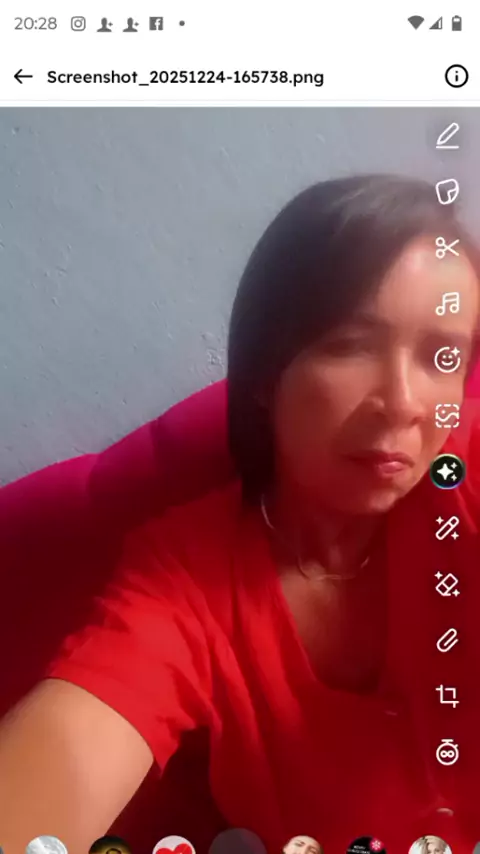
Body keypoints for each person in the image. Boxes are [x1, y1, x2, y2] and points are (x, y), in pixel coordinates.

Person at [0, 175, 479, 854]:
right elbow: (73, 745)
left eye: (441, 356)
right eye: (350, 344)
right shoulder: (188, 578)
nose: (403, 403)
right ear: (263, 372)